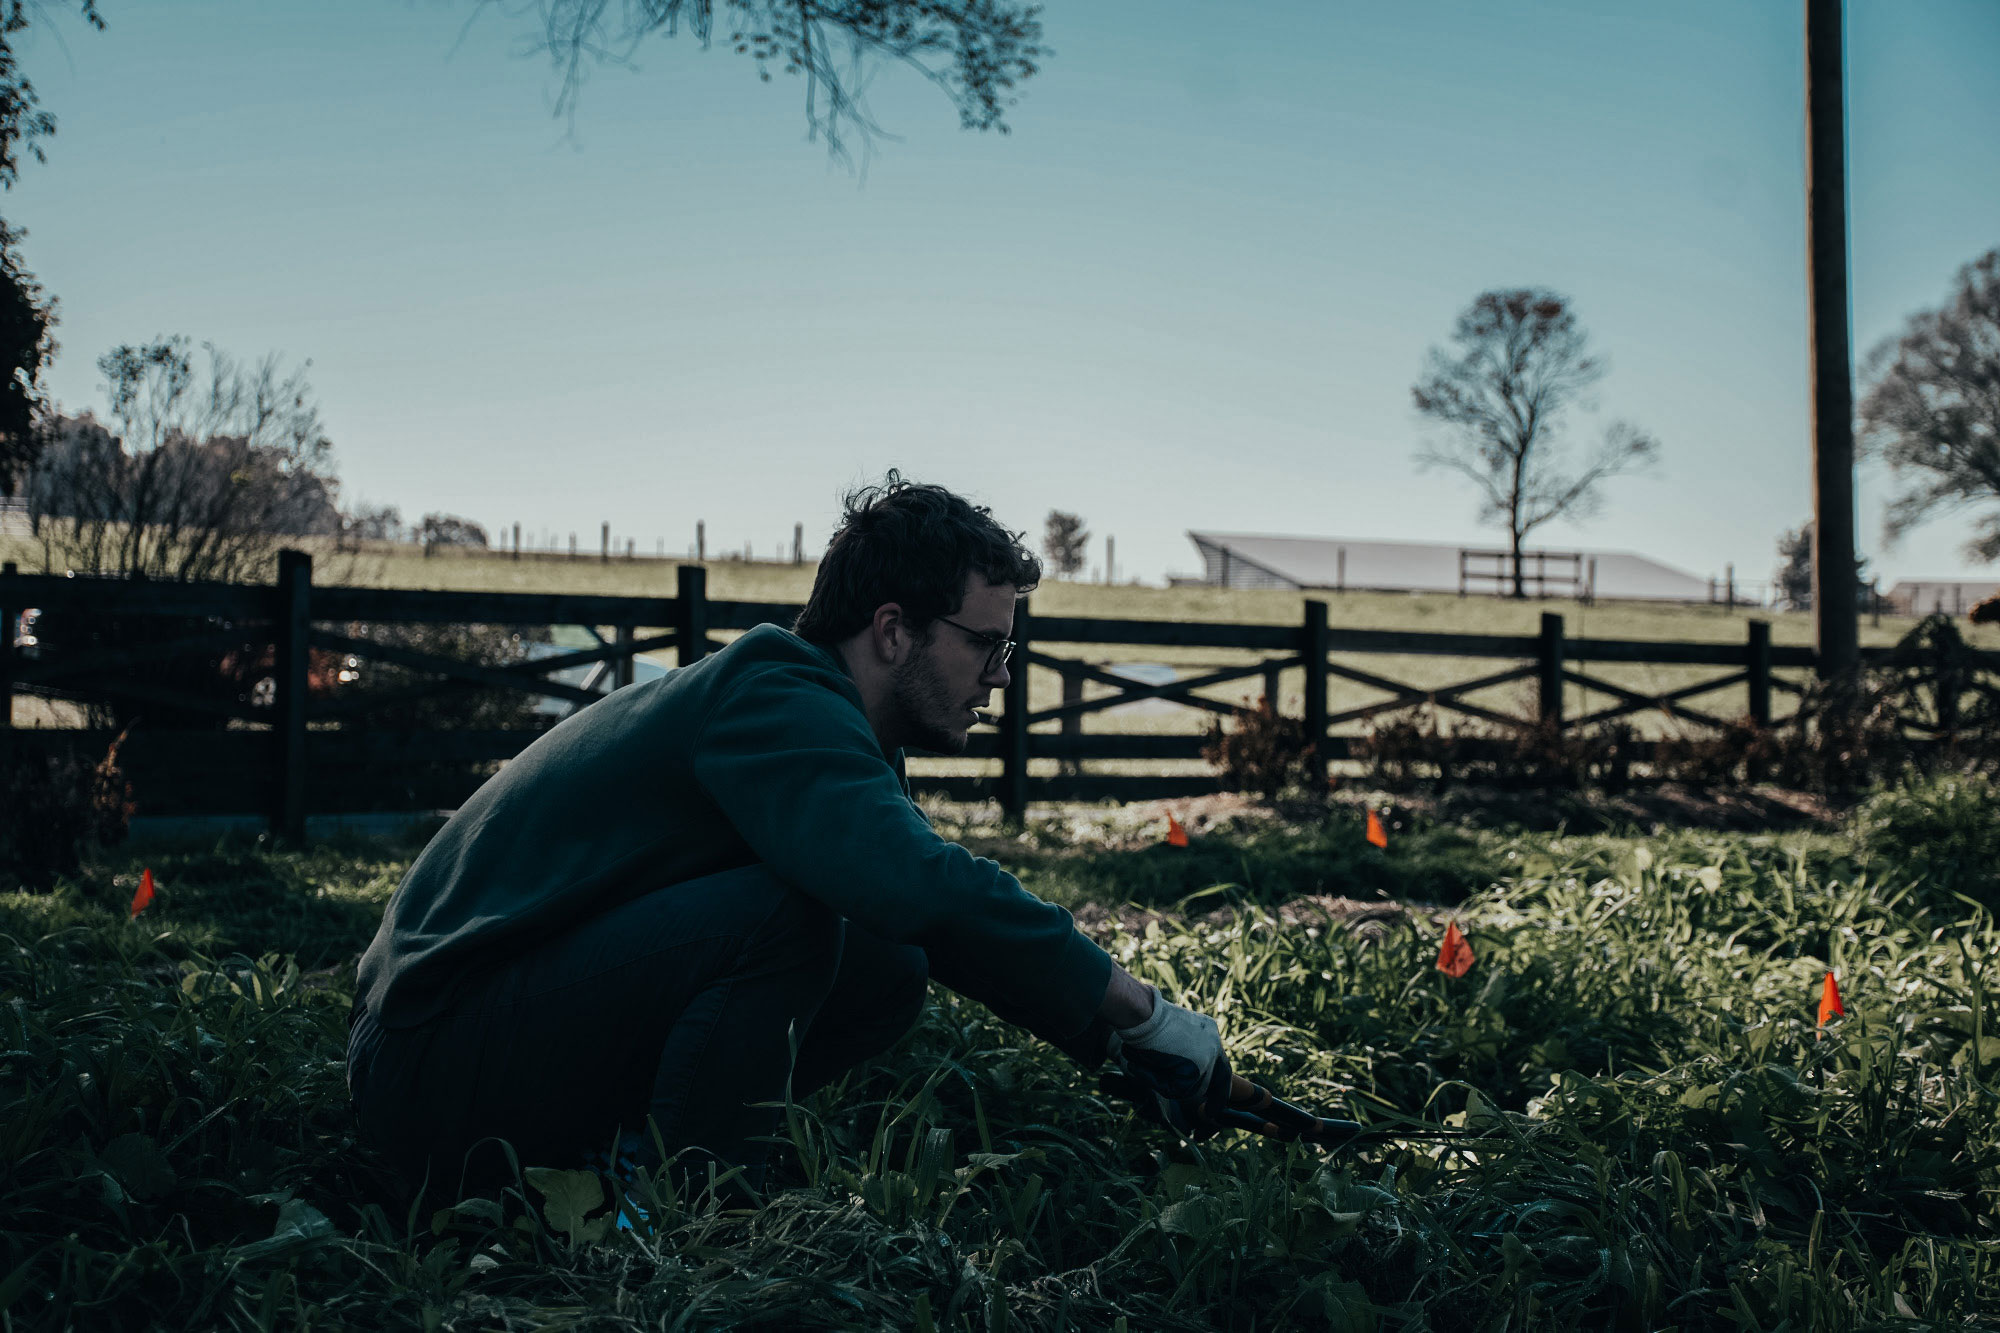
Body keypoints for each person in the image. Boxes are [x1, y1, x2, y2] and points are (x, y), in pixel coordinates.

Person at [347, 475, 1232, 1197]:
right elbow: (924, 883)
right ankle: (692, 1218)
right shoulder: (773, 697)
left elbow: (935, 924)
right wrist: (1146, 1010)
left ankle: (625, 1160)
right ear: (894, 630)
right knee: (790, 916)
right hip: (424, 1055)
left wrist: (1118, 1049)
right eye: (985, 645)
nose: (1000, 677)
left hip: (473, 1040)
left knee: (889, 961)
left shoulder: (837, 728)